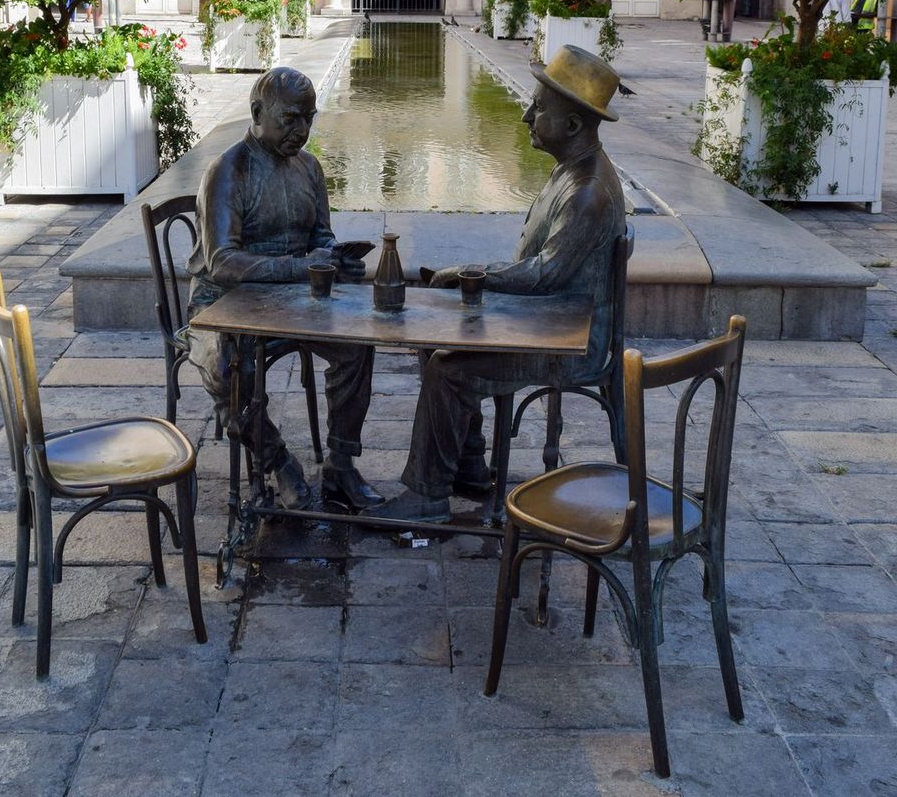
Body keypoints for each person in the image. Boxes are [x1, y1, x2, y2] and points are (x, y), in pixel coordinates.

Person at [372, 44, 627, 522]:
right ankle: (467, 466)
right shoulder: (572, 170)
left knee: (448, 369)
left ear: (572, 126)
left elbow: (545, 273)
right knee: (439, 338)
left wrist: (471, 275)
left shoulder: (588, 193)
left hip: (568, 341)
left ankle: (427, 496)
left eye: (539, 109)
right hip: (548, 319)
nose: (527, 116)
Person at [186, 66, 383, 513]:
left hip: (295, 297)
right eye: (291, 118)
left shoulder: (309, 168)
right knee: (228, 366)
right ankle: (276, 460)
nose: (303, 130)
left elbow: (321, 237)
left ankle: (341, 465)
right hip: (223, 301)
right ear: (257, 112)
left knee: (358, 345)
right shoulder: (228, 172)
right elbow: (222, 262)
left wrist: (336, 256)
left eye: (309, 119)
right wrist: (301, 266)